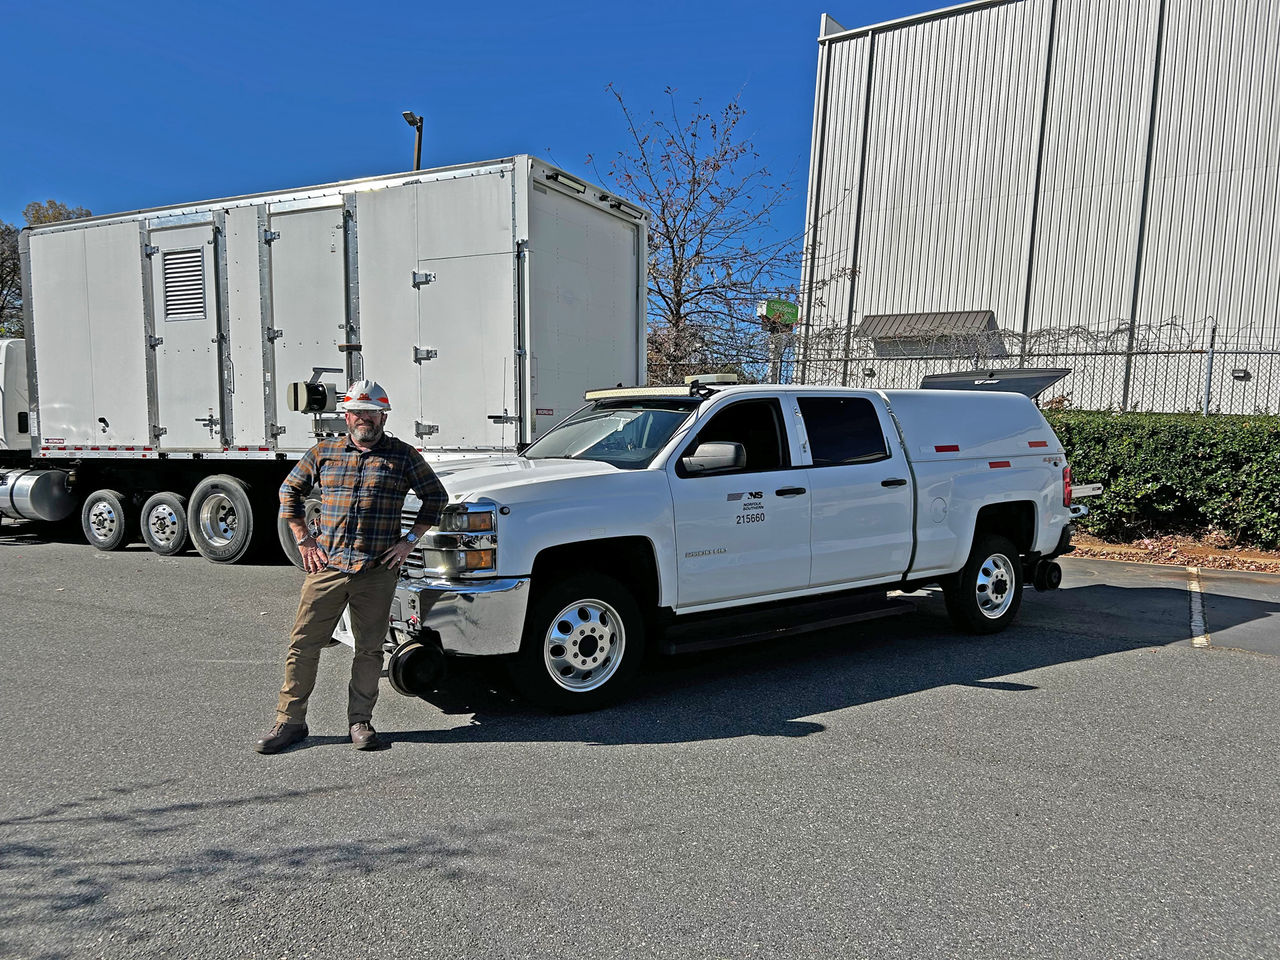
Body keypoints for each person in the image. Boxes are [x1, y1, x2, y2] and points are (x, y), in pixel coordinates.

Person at [255, 379, 446, 754]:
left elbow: (435, 497)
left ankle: (360, 722)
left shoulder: (403, 456)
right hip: (327, 566)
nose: (365, 419)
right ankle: (290, 722)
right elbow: (288, 490)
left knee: (370, 650)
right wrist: (303, 537)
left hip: (375, 571)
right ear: (346, 416)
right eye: (358, 412)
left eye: (372, 412)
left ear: (383, 416)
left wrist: (409, 542)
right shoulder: (324, 452)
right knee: (303, 645)